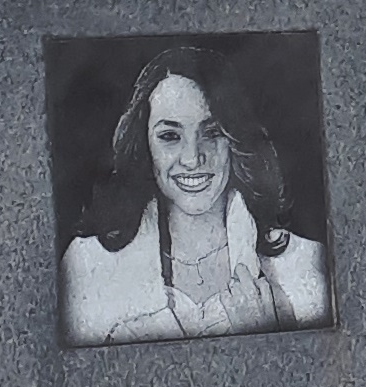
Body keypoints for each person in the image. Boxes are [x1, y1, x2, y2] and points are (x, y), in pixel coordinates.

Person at [60, 46, 329, 342]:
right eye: (170, 136)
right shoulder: (86, 266)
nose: (192, 158)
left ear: (235, 140)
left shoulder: (307, 266)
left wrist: (271, 338)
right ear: (144, 146)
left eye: (212, 132)